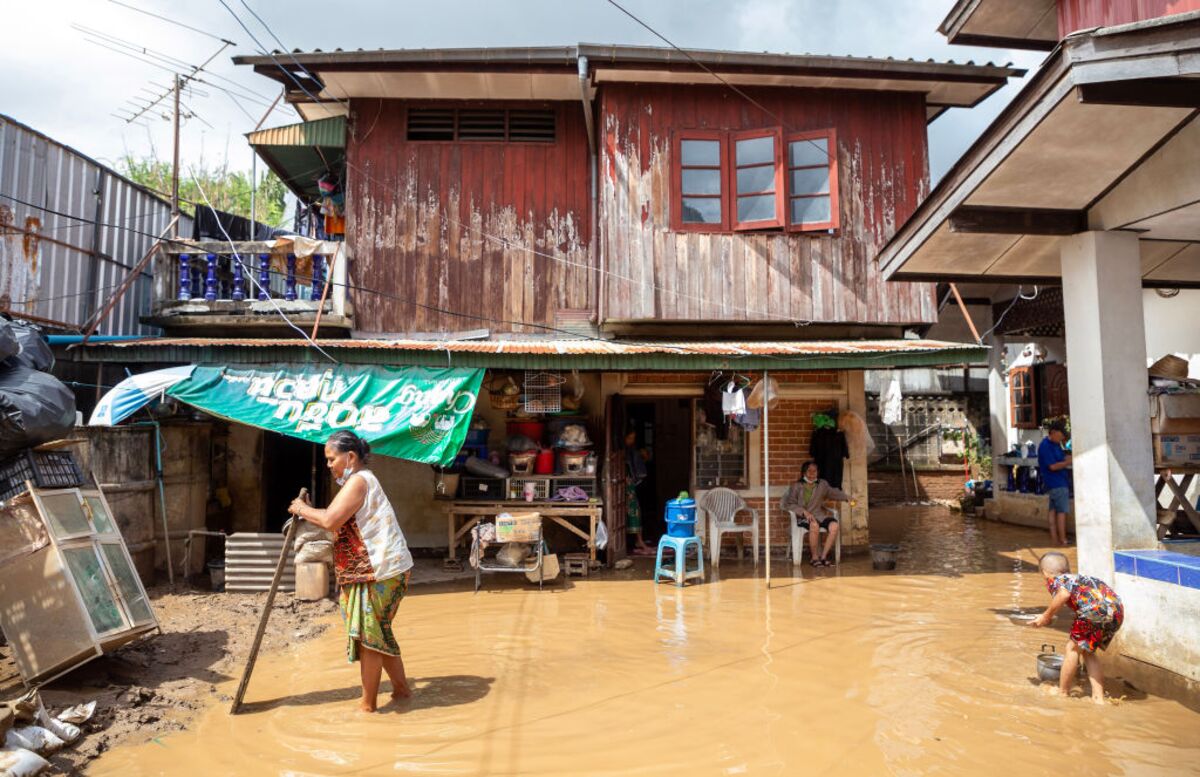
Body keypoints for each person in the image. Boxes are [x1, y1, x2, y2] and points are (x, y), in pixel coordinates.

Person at [288, 431, 414, 713]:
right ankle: (402, 690)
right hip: (378, 570)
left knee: (370, 638)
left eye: (332, 459)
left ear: (351, 457)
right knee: (378, 632)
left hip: (379, 572)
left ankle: (367, 706)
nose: (329, 465)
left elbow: (331, 520)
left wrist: (301, 509)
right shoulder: (359, 481)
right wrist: (308, 510)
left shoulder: (358, 481)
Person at [1029, 552, 1123, 704]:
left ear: (1045, 573)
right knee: (1087, 652)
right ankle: (1098, 698)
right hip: (1116, 611)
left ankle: (1063, 693)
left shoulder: (1056, 580)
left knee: (1071, 649)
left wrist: (1045, 617)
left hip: (1093, 610)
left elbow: (1063, 595)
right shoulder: (1079, 578)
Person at [780, 460, 851, 567]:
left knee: (834, 526)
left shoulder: (822, 484)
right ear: (804, 472)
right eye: (809, 471)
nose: (812, 473)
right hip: (802, 517)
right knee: (814, 525)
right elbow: (790, 504)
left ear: (818, 472)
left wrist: (847, 497)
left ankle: (823, 557)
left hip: (819, 515)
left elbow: (833, 493)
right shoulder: (797, 486)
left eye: (815, 471)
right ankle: (814, 557)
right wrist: (804, 512)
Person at [1038, 420, 1073, 546]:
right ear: (1052, 433)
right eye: (1060, 437)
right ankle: (1063, 540)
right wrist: (1067, 463)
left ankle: (1054, 540)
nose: (1061, 440)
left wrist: (1069, 458)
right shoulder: (1045, 446)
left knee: (1053, 511)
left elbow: (1061, 457)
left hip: (1053, 483)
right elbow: (1052, 466)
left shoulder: (1054, 444)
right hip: (1057, 483)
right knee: (1061, 512)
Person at [624, 429, 653, 555]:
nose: (632, 441)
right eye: (630, 438)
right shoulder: (623, 452)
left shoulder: (631, 451)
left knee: (636, 512)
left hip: (630, 486)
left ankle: (638, 541)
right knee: (633, 513)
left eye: (633, 438)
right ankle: (638, 541)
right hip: (625, 487)